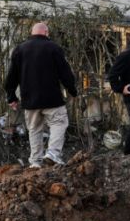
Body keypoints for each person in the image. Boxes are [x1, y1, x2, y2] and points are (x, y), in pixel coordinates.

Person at [5, 23, 77, 168]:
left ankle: (35, 161)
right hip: (52, 99)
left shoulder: (20, 50)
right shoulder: (54, 48)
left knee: (34, 129)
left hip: (30, 100)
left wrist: (11, 97)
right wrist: (72, 90)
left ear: (32, 33)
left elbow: (11, 76)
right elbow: (65, 73)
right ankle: (53, 153)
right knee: (59, 123)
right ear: (46, 32)